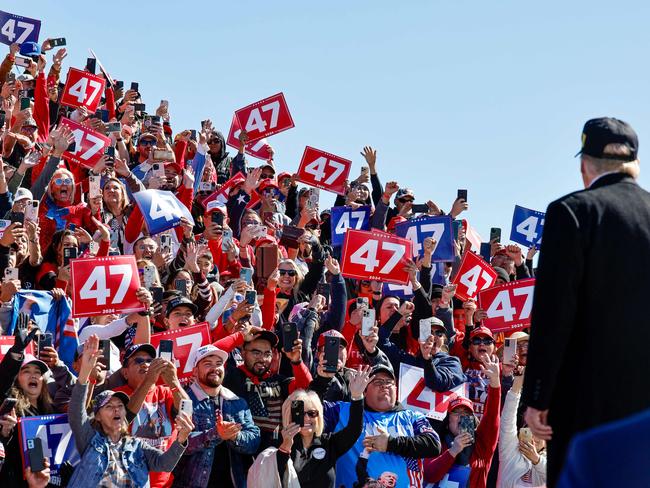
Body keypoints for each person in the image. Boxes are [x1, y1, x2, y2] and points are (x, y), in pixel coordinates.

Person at [522, 117, 650, 486]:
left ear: (585, 166)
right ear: (635, 165)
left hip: (586, 401)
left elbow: (553, 314)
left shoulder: (572, 212)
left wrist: (538, 396)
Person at [67, 335, 193, 487]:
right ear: (98, 416)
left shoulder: (137, 444)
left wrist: (181, 440)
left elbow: (164, 463)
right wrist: (85, 373)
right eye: (109, 407)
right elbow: (76, 412)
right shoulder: (90, 439)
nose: (117, 410)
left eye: (150, 361)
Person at [327, 365, 441, 488]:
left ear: (396, 389)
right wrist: (323, 379)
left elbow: (434, 445)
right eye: (377, 382)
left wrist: (391, 443)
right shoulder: (342, 411)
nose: (384, 385)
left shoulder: (413, 417)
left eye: (389, 382)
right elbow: (311, 410)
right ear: (364, 389)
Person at [172, 345, 261, 488]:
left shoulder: (238, 401)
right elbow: (179, 445)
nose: (215, 368)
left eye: (219, 364)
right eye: (208, 364)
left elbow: (254, 441)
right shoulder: (183, 401)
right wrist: (216, 434)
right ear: (195, 371)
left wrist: (234, 436)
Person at [271, 366, 371, 488]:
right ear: (290, 415)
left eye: (312, 413)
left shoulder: (329, 443)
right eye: (300, 413)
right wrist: (284, 448)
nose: (307, 418)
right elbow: (273, 478)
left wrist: (357, 397)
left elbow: (354, 429)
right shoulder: (278, 443)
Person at [423, 356, 501, 488]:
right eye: (457, 413)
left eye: (466, 414)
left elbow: (492, 416)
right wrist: (453, 451)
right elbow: (430, 475)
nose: (461, 418)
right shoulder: (436, 444)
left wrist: (495, 383)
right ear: (448, 421)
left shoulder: (482, 446)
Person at [497, 372, 546, 488]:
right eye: (532, 431)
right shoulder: (509, 451)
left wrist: (537, 460)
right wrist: (516, 387)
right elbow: (507, 420)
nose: (535, 437)